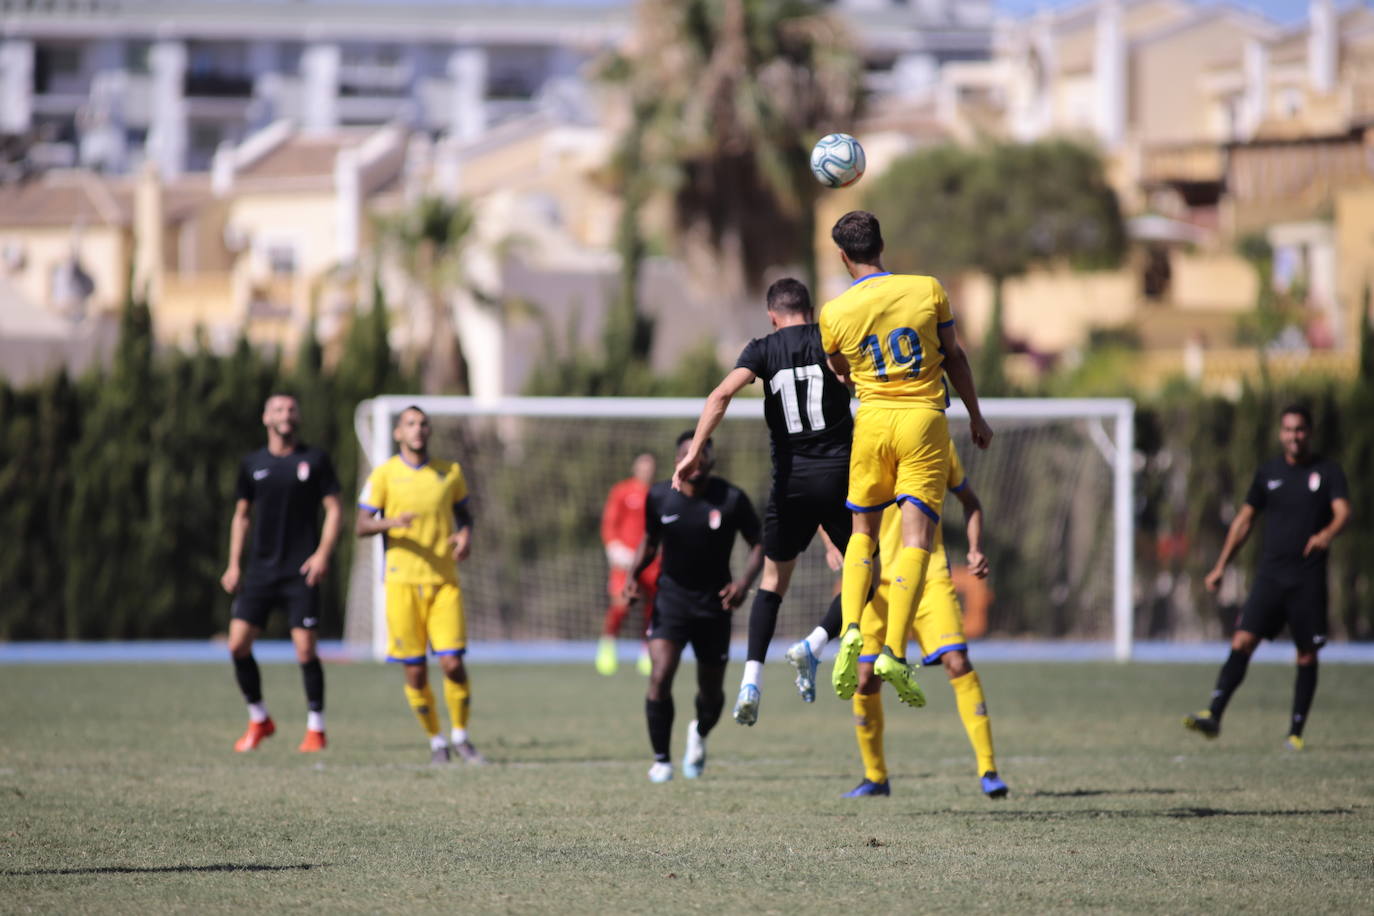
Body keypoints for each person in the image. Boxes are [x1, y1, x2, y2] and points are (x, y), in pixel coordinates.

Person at [818, 210, 992, 707]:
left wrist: (855, 376)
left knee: (863, 534)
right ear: (882, 245)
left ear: (843, 256)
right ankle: (893, 648)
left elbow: (838, 367)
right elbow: (955, 355)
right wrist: (976, 416)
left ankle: (851, 627)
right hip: (923, 420)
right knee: (917, 538)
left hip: (871, 423)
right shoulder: (928, 289)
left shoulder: (834, 313)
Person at [675, 277, 853, 726]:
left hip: (790, 484)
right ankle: (813, 645)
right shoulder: (828, 338)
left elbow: (720, 395)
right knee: (873, 569)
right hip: (840, 479)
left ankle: (751, 679)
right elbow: (857, 379)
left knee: (772, 584)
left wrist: (694, 450)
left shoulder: (762, 349)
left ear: (773, 316)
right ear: (809, 311)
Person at [839, 440, 1008, 799]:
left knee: (957, 661)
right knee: (865, 677)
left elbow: (971, 502)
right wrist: (832, 546)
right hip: (880, 583)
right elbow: (831, 503)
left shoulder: (938, 442)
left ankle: (988, 769)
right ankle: (875, 777)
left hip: (929, 578)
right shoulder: (868, 442)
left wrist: (975, 548)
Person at [1184, 405, 1350, 750]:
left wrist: (1326, 534)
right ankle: (1213, 714)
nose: (1294, 436)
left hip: (1307, 579)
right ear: (1280, 433)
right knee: (1242, 641)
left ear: (1310, 432)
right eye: (1288, 430)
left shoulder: (1328, 472)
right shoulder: (1268, 473)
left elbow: (1343, 512)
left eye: (1300, 429)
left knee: (1306, 654)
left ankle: (1296, 732)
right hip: (1271, 576)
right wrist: (1220, 567)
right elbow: (1243, 522)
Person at [628, 431, 764, 783]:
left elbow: (759, 543)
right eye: (690, 453)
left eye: (704, 452)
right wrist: (632, 574)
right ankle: (661, 760)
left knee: (712, 696)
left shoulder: (731, 499)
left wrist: (743, 585)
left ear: (712, 460)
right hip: (671, 600)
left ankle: (699, 733)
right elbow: (650, 540)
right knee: (660, 676)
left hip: (714, 606)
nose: (697, 458)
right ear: (678, 461)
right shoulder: (659, 496)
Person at [356, 406, 484, 765]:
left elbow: (466, 515)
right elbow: (362, 525)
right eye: (410, 424)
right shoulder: (384, 476)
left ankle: (461, 736)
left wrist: (466, 536)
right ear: (399, 433)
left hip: (444, 582)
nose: (418, 429)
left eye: (423, 423)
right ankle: (436, 741)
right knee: (414, 669)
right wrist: (393, 522)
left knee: (452, 663)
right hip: (402, 583)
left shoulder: (450, 472)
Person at [220, 394, 342, 753]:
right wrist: (233, 564)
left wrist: (322, 554)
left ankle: (316, 729)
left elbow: (335, 510)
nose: (285, 415)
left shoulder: (315, 460)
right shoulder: (252, 464)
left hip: (300, 571)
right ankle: (259, 718)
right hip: (260, 570)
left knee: (305, 650)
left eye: (291, 409)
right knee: (237, 645)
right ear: (265, 418)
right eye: (278, 409)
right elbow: (241, 516)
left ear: (298, 416)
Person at [597, 453, 660, 677]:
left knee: (654, 606)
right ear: (635, 468)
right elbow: (609, 523)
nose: (646, 470)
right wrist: (614, 547)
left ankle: (647, 651)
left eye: (650, 467)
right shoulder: (622, 491)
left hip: (651, 559)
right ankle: (607, 644)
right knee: (621, 604)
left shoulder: (659, 493)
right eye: (643, 466)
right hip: (626, 560)